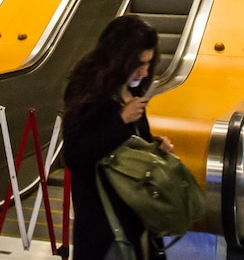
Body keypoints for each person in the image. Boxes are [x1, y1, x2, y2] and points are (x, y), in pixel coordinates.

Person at [63, 15, 174, 260]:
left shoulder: (131, 90)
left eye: (148, 62)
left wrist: (154, 146)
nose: (145, 72)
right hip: (105, 227)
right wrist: (121, 120)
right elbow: (74, 155)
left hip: (137, 219)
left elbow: (128, 144)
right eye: (138, 63)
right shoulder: (87, 92)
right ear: (119, 58)